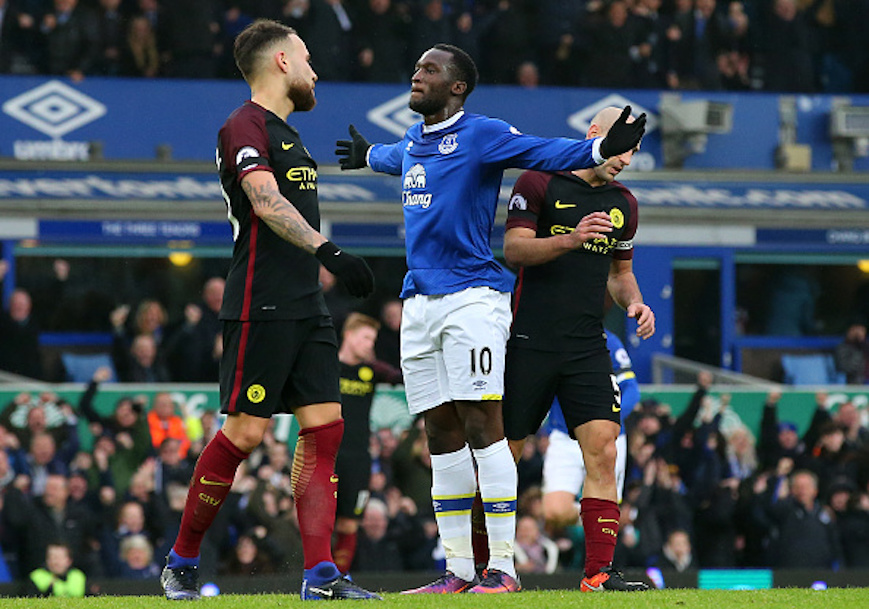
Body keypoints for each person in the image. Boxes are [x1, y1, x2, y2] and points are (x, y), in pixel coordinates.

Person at [335, 45, 645, 594]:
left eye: (429, 69)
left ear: (457, 86)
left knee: (487, 432)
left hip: (474, 298)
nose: (416, 73)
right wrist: (367, 156)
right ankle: (456, 570)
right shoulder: (412, 141)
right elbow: (398, 155)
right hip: (420, 302)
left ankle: (503, 568)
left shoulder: (482, 133)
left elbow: (541, 150)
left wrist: (597, 147)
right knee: (440, 435)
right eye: (417, 67)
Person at [159, 19, 377, 602]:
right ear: (281, 61)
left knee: (325, 431)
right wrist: (330, 250)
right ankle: (180, 562)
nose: (314, 70)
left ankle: (321, 577)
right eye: (307, 58)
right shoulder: (244, 125)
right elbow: (263, 200)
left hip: (308, 306)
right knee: (246, 434)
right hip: (261, 301)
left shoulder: (286, 131)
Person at [500, 106, 654, 592]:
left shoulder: (623, 203)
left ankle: (597, 574)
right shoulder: (538, 181)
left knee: (604, 448)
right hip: (528, 339)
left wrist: (635, 303)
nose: (625, 159)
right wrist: (570, 238)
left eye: (633, 151)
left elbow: (621, 274)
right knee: (507, 454)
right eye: (621, 147)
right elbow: (514, 251)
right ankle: (492, 567)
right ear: (593, 135)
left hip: (588, 344)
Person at [538, 332, 640, 533]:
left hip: (606, 438)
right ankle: (601, 519)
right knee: (553, 512)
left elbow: (631, 389)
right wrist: (543, 430)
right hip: (564, 436)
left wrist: (609, 423)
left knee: (605, 512)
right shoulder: (548, 338)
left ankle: (603, 547)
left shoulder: (607, 340)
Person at [333, 313, 401, 574]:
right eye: (365, 338)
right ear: (348, 335)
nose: (369, 345)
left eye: (372, 340)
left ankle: (337, 580)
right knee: (323, 523)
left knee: (350, 524)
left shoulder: (371, 371)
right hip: (329, 455)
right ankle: (316, 576)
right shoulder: (328, 367)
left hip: (358, 459)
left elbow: (398, 377)